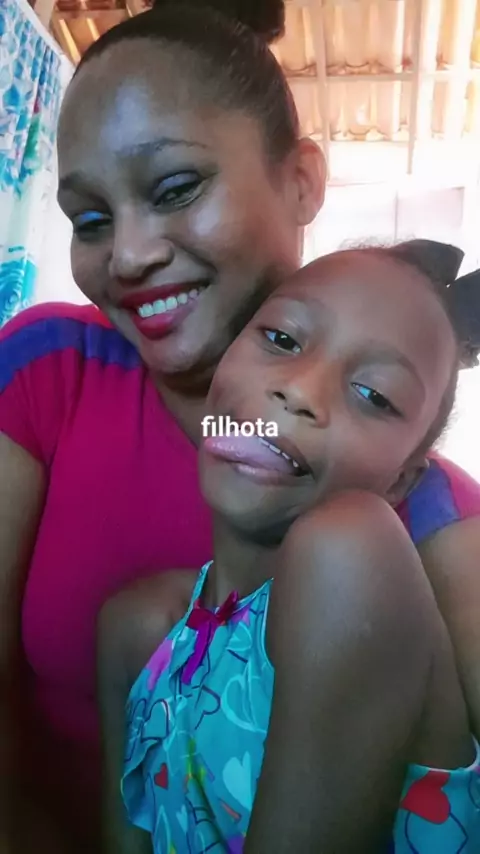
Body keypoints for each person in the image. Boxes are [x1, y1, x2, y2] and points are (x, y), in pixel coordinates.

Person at [0, 0, 480, 849]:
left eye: (177, 187)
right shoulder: (50, 371)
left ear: (301, 181)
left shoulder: (408, 522)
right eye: (91, 220)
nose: (128, 256)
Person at [100, 243, 480, 854]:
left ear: (402, 482)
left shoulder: (353, 555)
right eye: (280, 339)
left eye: (374, 395)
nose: (300, 390)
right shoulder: (139, 630)